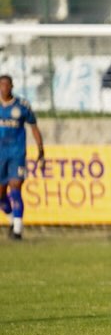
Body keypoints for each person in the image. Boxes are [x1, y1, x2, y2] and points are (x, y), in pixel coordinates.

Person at [0, 75, 45, 240]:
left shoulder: (22, 105)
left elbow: (34, 127)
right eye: (1, 85)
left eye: (6, 85)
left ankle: (17, 230)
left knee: (15, 188)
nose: (4, 88)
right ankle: (13, 221)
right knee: (1, 195)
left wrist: (41, 150)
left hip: (17, 154)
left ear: (12, 86)